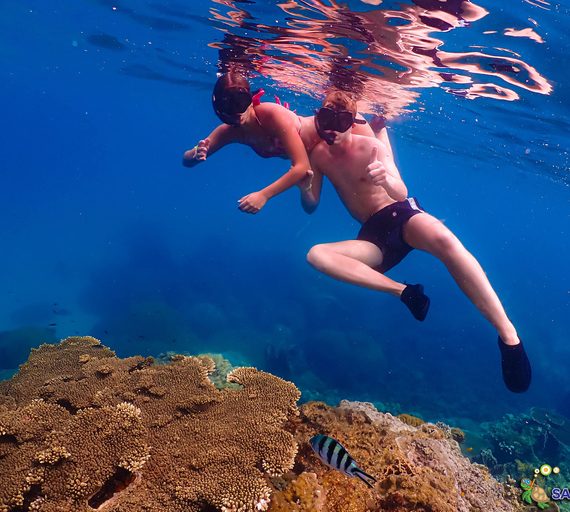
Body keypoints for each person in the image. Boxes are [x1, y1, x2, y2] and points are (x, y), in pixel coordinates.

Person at [298, 90, 531, 393]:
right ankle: (406, 293)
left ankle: (508, 334)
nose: (333, 128)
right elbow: (311, 205)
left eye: (342, 121)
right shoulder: (317, 156)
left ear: (353, 121)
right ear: (317, 117)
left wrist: (385, 178)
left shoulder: (370, 146)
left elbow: (400, 189)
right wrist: (305, 188)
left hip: (402, 215)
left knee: (447, 242)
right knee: (316, 255)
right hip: (372, 235)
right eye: (326, 119)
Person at [183, 72, 377, 214]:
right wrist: (196, 154)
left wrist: (264, 195)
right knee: (310, 206)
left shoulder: (271, 114)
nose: (237, 112)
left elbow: (300, 167)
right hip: (315, 153)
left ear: (250, 100)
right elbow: (187, 160)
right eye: (228, 104)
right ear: (218, 107)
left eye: (240, 101)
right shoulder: (229, 133)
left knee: (379, 161)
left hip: (338, 125)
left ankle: (380, 128)